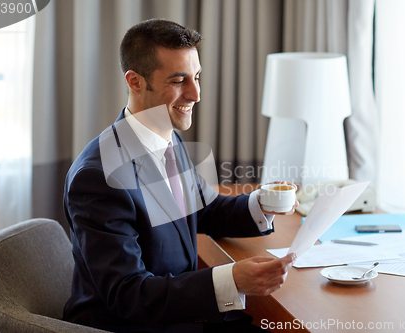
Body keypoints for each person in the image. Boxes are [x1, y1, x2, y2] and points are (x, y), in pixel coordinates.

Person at [62, 18, 297, 333]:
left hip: (180, 312)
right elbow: (128, 295)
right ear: (135, 81)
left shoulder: (165, 135)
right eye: (178, 80)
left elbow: (200, 208)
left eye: (197, 77)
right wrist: (232, 279)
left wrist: (262, 203)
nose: (196, 94)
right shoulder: (99, 178)